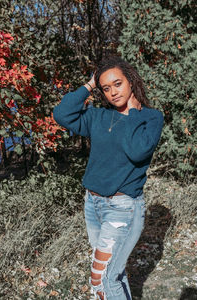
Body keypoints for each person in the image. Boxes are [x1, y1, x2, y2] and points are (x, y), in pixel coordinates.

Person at [53, 56, 164, 300]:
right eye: (106, 88)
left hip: (122, 208)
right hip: (93, 205)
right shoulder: (98, 117)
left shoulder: (151, 117)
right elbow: (61, 114)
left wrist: (133, 113)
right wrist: (90, 84)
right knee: (113, 272)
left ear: (131, 82)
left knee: (102, 278)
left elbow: (137, 150)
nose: (113, 92)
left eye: (118, 84)